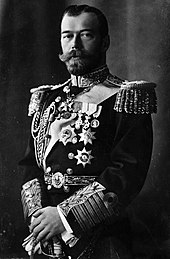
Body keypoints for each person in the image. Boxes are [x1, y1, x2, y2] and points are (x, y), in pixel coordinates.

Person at [20, 4, 157, 259]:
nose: (75, 45)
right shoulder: (46, 99)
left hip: (101, 237)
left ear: (105, 42)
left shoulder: (127, 98)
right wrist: (40, 220)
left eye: (86, 35)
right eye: (67, 35)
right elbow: (30, 165)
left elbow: (127, 172)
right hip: (47, 238)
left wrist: (64, 218)